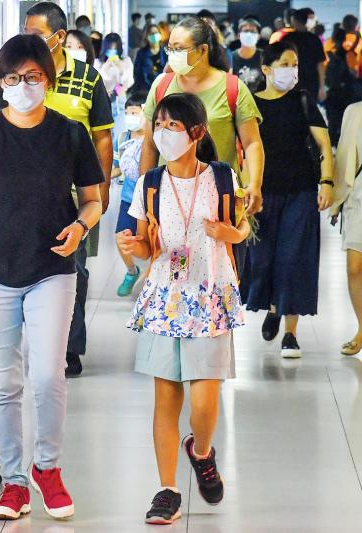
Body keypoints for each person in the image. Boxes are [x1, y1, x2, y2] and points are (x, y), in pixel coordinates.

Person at [0, 34, 104, 521]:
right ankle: (14, 482)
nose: (23, 86)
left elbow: (93, 200)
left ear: (48, 81)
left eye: (33, 77)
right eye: (13, 78)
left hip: (51, 269)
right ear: (1, 82)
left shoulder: (69, 134)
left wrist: (81, 228)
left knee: (49, 375)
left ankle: (47, 468)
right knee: (3, 383)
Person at [117, 93, 249, 525]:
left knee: (205, 402)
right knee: (166, 397)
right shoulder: (150, 183)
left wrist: (229, 233)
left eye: (172, 125)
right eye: (158, 124)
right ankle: (167, 489)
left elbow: (242, 228)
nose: (162, 133)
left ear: (197, 132)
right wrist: (132, 246)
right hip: (164, 298)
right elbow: (146, 246)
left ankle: (202, 451)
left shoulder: (223, 178)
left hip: (210, 296)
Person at [24, 1, 114, 377]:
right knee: (30, 268)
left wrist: (101, 189)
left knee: (73, 268)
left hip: (75, 193)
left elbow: (103, 136)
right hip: (26, 191)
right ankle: (41, 342)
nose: (29, 40)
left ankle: (70, 346)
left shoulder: (88, 78)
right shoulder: (22, 74)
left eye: (36, 34)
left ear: (58, 37)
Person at [242, 41, 334, 358]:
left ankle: (291, 334)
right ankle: (273, 307)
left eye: (294, 64)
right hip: (262, 192)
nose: (291, 70)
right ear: (266, 69)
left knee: (294, 259)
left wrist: (327, 182)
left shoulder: (303, 100)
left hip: (301, 191)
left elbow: (324, 145)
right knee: (263, 259)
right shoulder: (251, 104)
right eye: (284, 64)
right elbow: (244, 150)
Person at [140, 16, 264, 219]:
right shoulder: (161, 86)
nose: (173, 55)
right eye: (170, 49)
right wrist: (144, 190)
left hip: (220, 198)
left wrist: (255, 184)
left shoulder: (232, 88)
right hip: (169, 198)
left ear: (203, 50)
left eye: (179, 49)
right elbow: (149, 145)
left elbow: (252, 142)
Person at [332, 101, 362, 355]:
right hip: (359, 198)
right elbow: (343, 158)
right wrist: (336, 201)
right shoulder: (354, 111)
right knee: (355, 267)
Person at [115, 91, 148, 297]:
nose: (130, 117)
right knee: (121, 237)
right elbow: (118, 167)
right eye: (127, 113)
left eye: (134, 113)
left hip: (149, 200)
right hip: (128, 198)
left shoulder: (153, 138)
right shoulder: (123, 137)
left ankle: (153, 278)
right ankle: (131, 271)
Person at [326, 26, 362, 146]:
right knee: (345, 118)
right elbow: (354, 73)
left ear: (333, 38)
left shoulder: (329, 53)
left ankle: (333, 140)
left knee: (333, 119)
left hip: (333, 91)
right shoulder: (349, 54)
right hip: (346, 91)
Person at [282, 8, 327, 101]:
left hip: (292, 82)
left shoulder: (287, 39)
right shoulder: (315, 39)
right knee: (310, 107)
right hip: (312, 82)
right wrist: (322, 87)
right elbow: (320, 65)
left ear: (294, 21)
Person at [94, 33, 135, 98]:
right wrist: (104, 69)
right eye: (110, 48)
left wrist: (122, 70)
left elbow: (129, 82)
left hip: (120, 96)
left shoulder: (126, 61)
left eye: (115, 48)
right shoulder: (97, 62)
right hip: (102, 96)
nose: (112, 51)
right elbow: (96, 83)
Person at [232, 17, 265, 93]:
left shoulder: (265, 56)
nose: (249, 34)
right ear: (239, 35)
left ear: (258, 36)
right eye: (246, 31)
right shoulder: (230, 57)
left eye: (253, 31)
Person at [324, 15, 362, 79]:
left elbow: (324, 62)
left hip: (334, 78)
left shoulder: (330, 41)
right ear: (356, 27)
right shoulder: (360, 42)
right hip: (353, 77)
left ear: (343, 26)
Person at [133, 24, 167, 92]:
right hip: (145, 90)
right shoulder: (141, 53)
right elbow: (137, 73)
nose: (154, 35)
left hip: (163, 89)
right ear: (147, 36)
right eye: (151, 33)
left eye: (156, 33)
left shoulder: (166, 52)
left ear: (160, 35)